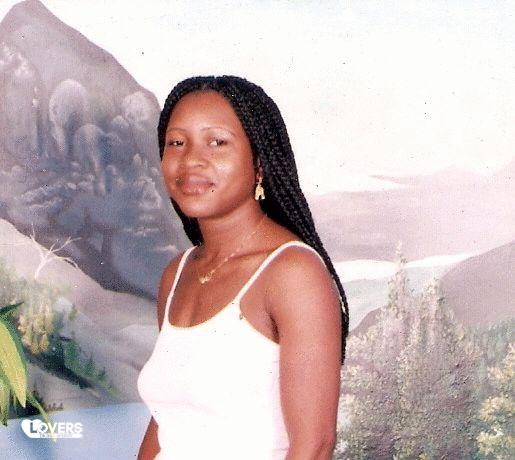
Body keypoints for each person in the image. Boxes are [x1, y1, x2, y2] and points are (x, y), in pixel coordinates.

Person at [137, 75, 349, 460]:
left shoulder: (291, 272)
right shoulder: (178, 273)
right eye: (177, 143)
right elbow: (167, 420)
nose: (191, 160)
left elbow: (314, 445)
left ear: (260, 164)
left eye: (217, 142)